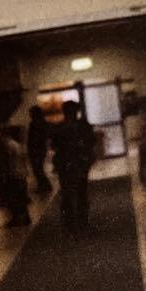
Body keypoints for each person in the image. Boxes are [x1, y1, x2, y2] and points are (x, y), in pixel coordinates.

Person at [52, 98, 99, 233]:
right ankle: (81, 221)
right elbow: (91, 141)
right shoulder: (83, 125)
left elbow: (54, 145)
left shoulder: (60, 127)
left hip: (67, 163)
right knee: (80, 191)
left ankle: (70, 222)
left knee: (68, 192)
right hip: (78, 162)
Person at [27, 105, 52, 195]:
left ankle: (45, 186)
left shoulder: (34, 124)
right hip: (40, 149)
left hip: (36, 149)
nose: (30, 115)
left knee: (37, 169)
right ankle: (44, 186)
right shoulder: (43, 123)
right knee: (38, 168)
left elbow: (32, 138)